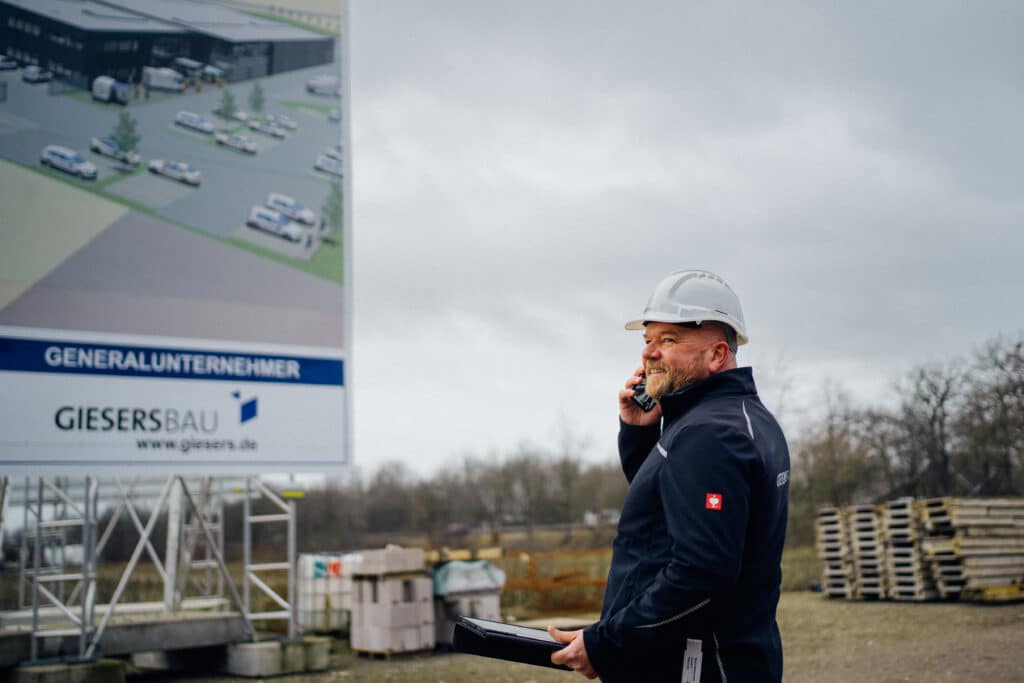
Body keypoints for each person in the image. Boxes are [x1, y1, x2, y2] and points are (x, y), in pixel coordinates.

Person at [548, 269, 790, 682]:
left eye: (669, 340)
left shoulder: (709, 435)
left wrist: (608, 642)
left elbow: (701, 573)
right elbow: (664, 519)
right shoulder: (744, 419)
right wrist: (640, 433)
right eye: (648, 340)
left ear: (716, 355)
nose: (649, 353)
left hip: (697, 667)